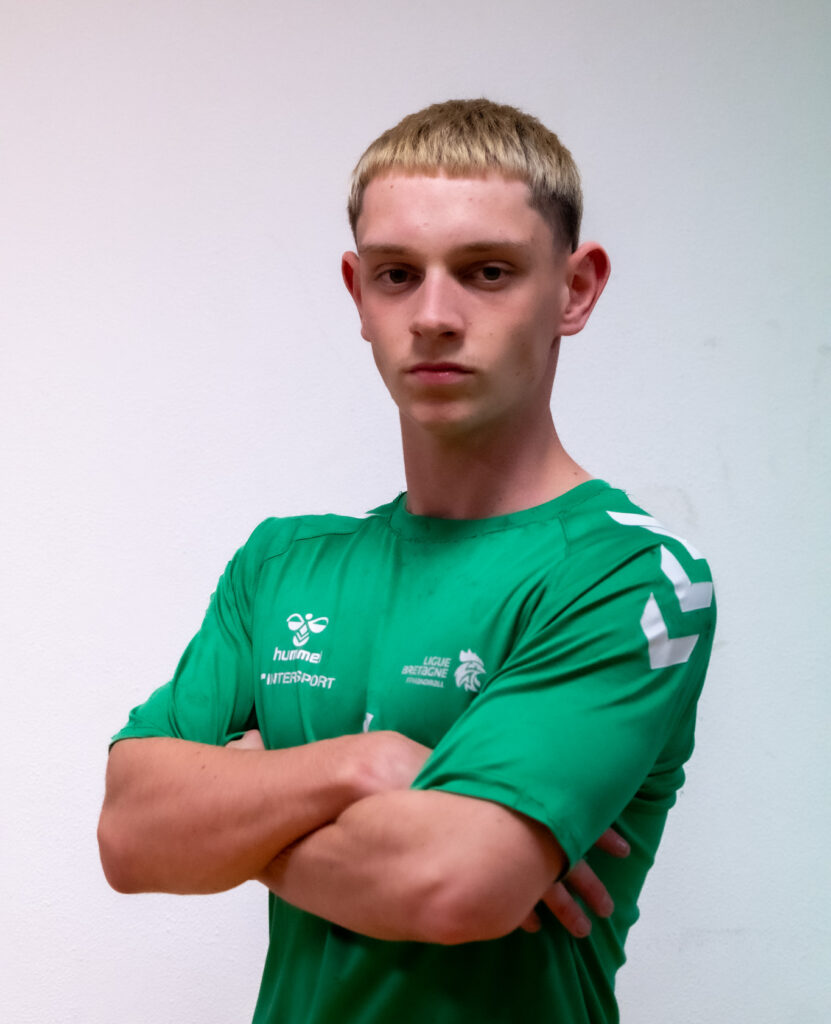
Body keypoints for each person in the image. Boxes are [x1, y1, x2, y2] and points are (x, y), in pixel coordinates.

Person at [98, 98, 716, 1023]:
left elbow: (451, 885)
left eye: (487, 271)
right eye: (396, 274)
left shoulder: (631, 576)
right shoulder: (280, 565)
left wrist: (242, 816)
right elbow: (129, 835)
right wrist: (364, 765)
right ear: (358, 293)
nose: (432, 316)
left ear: (575, 289)